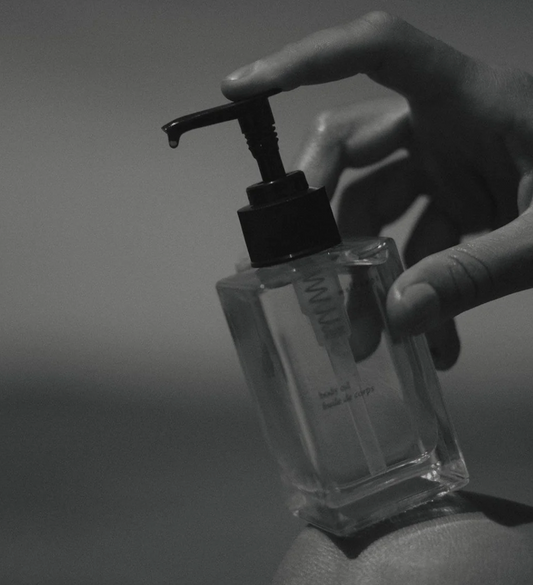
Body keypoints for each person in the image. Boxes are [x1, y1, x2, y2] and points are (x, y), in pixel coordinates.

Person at [221, 12, 533, 583]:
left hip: (413, 499)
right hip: (391, 498)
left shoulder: (367, 256)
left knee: (336, 567)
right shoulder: (251, 292)